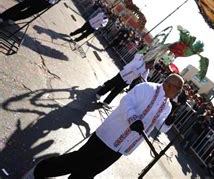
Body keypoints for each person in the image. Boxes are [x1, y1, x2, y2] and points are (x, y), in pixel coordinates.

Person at [33, 74, 184, 179]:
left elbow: (161, 127)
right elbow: (126, 102)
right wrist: (134, 119)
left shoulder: (168, 107)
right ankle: (43, 169)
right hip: (109, 135)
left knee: (92, 170)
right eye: (179, 89)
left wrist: (171, 118)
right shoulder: (147, 88)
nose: (179, 92)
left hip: (123, 146)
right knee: (78, 161)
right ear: (170, 85)